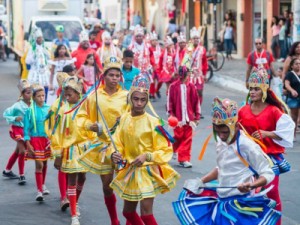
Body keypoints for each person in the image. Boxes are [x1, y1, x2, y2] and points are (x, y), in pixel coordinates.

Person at [173, 97, 281, 225]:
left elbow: (268, 173)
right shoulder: (220, 141)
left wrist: (252, 185)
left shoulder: (247, 145)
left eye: (225, 132)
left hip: (241, 204)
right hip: (222, 201)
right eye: (217, 132)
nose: (221, 136)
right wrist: (200, 181)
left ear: (235, 126)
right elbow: (221, 168)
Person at [110, 74, 180, 225]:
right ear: (130, 98)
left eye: (143, 99)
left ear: (147, 100)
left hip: (147, 170)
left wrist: (147, 156)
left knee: (146, 215)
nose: (139, 103)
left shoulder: (154, 122)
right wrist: (114, 154)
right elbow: (117, 141)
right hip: (129, 169)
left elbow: (165, 150)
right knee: (127, 212)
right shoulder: (123, 119)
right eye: (136, 99)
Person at [75, 56, 128, 225]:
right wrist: (91, 126)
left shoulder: (127, 96)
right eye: (111, 75)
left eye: (117, 75)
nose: (114, 78)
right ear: (104, 76)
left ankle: (130, 217)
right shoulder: (94, 96)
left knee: (129, 184)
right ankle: (114, 220)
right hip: (103, 148)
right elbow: (81, 117)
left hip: (124, 146)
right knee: (107, 186)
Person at [239, 66, 295, 225]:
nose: (253, 92)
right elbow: (235, 134)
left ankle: (276, 223)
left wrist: (267, 133)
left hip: (269, 159)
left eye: (256, 89)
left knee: (271, 192)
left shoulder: (274, 111)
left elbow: (286, 132)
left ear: (264, 90)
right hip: (248, 160)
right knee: (248, 194)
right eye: (251, 89)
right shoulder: (243, 111)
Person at [52, 77, 88, 225]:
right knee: (72, 180)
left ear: (78, 94)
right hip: (70, 149)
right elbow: (57, 133)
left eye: (70, 94)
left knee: (83, 178)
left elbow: (89, 126)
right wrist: (58, 154)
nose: (67, 97)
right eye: (65, 95)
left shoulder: (85, 108)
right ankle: (74, 215)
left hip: (84, 148)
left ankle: (75, 202)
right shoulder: (62, 110)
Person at [45, 72, 69, 211]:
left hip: (74, 141)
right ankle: (63, 197)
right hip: (61, 141)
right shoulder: (55, 106)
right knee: (62, 169)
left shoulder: (76, 104)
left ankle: (71, 197)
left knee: (73, 172)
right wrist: (55, 146)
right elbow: (51, 127)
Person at [167, 66, 200, 167]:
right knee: (178, 136)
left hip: (189, 119)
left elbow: (196, 101)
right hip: (177, 119)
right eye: (187, 75)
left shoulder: (191, 86)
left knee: (187, 138)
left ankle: (183, 159)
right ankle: (172, 148)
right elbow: (170, 102)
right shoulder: (173, 86)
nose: (188, 77)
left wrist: (197, 116)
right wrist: (171, 114)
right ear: (182, 75)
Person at [24, 84, 51, 202]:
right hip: (35, 140)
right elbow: (25, 129)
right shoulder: (30, 111)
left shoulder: (48, 108)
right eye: (39, 96)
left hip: (46, 140)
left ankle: (43, 184)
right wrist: (28, 143)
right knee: (39, 165)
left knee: (44, 164)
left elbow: (52, 124)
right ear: (34, 97)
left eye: (43, 95)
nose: (41, 98)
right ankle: (39, 191)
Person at [2, 80, 32, 184]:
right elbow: (6, 113)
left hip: (27, 130)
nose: (30, 94)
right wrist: (15, 118)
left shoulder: (34, 104)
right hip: (18, 129)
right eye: (27, 92)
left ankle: (7, 170)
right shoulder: (17, 105)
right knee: (22, 151)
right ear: (22, 94)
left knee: (17, 151)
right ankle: (21, 175)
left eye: (31, 92)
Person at [25, 27, 51, 100]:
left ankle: (44, 102)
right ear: (35, 39)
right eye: (39, 38)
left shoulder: (44, 47)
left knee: (45, 89)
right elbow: (28, 61)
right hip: (35, 73)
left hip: (44, 72)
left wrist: (46, 52)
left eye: (41, 38)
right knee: (36, 90)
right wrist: (34, 55)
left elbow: (49, 58)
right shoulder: (32, 49)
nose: (40, 40)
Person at [189, 27, 208, 111]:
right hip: (190, 75)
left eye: (197, 38)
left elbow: (204, 63)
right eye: (194, 38)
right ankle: (191, 109)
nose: (196, 40)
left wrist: (205, 74)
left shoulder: (202, 49)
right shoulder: (188, 49)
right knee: (190, 93)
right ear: (191, 39)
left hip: (199, 75)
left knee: (200, 92)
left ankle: (198, 109)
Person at [284, 58, 300, 138]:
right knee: (294, 117)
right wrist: (292, 90)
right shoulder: (290, 74)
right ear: (292, 66)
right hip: (294, 98)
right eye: (296, 64)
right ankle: (292, 135)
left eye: (299, 63)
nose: (298, 65)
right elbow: (287, 84)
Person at [148, 31, 161, 100]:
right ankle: (152, 93)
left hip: (158, 67)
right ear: (150, 41)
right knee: (152, 80)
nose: (155, 42)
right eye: (153, 40)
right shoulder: (149, 49)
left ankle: (156, 91)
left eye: (156, 40)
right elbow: (148, 57)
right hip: (152, 67)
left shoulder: (159, 48)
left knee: (159, 80)